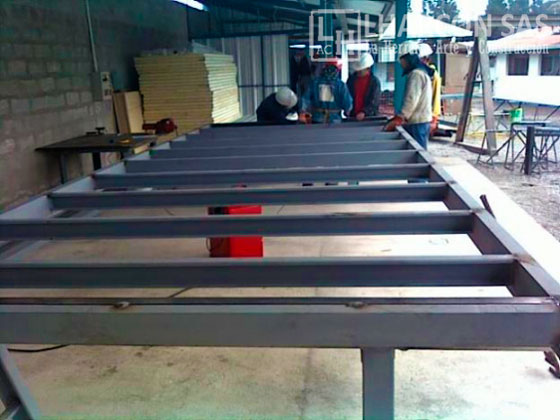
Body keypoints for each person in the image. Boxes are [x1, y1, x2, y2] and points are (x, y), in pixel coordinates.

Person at [384, 41, 433, 149]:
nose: (401, 64)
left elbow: (411, 99)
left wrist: (401, 117)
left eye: (402, 61)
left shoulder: (416, 74)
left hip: (417, 122)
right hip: (421, 121)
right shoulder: (421, 72)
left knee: (418, 152)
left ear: (407, 59)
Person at [301, 58, 353, 124]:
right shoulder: (341, 85)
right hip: (335, 120)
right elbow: (347, 104)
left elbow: (305, 99)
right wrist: (347, 111)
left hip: (317, 119)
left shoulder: (315, 83)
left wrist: (303, 111)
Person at [347, 52, 381, 121]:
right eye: (357, 70)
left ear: (368, 69)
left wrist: (364, 112)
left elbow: (374, 101)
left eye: (360, 71)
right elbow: (347, 95)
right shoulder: (351, 80)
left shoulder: (374, 82)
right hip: (353, 116)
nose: (358, 73)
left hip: (369, 118)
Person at [419, 43, 442, 136]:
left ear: (426, 59)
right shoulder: (422, 74)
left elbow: (435, 97)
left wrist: (434, 117)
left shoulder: (432, 76)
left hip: (427, 115)